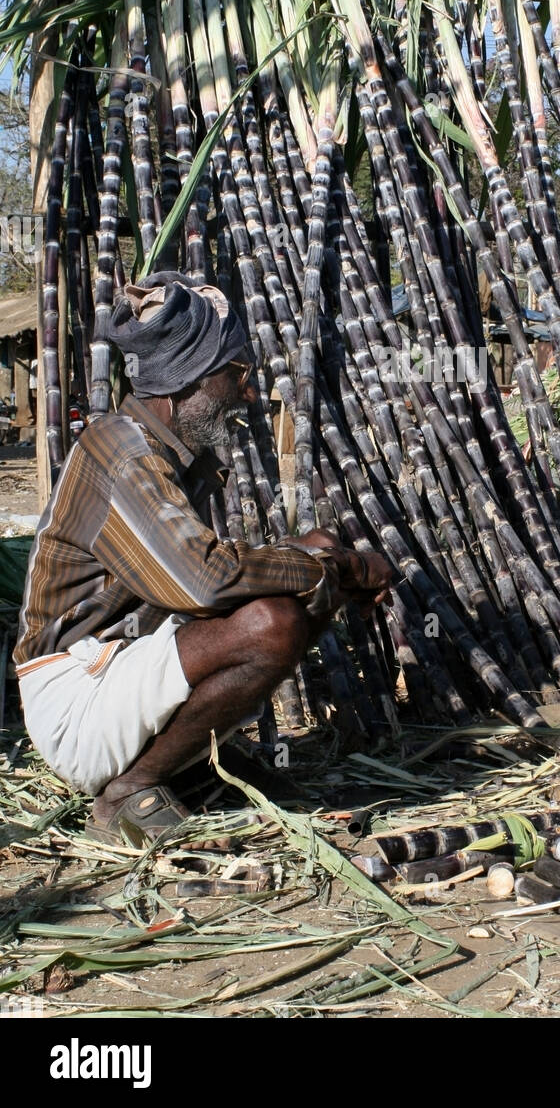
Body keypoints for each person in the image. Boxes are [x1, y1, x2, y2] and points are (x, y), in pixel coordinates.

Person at [14, 273, 392, 845]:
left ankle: (191, 769)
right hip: (75, 699)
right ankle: (128, 792)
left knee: (310, 556)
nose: (247, 394)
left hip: (118, 678)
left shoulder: (174, 455)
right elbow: (203, 582)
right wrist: (342, 569)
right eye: (237, 374)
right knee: (273, 622)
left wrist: (322, 559)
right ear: (184, 379)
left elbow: (220, 574)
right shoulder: (120, 449)